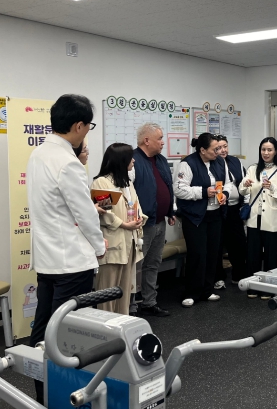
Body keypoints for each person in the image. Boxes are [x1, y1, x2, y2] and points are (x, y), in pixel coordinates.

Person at [26, 94, 106, 404]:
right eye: (88, 126)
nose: (87, 132)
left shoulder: (39, 154)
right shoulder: (67, 162)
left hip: (48, 259)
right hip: (72, 262)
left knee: (43, 331)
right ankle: (63, 398)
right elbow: (85, 214)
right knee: (68, 336)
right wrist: (98, 246)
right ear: (78, 125)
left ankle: (43, 396)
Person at [174, 133, 227, 307]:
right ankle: (192, 292)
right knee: (197, 254)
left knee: (213, 254)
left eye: (219, 148)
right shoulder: (187, 163)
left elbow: (227, 184)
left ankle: (207, 290)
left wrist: (225, 194)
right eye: (215, 149)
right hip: (195, 216)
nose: (218, 152)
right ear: (203, 150)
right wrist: (203, 192)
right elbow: (179, 190)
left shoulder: (219, 162)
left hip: (215, 214)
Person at [91, 143, 145, 315]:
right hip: (113, 242)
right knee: (107, 291)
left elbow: (136, 205)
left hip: (130, 242)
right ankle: (105, 326)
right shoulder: (102, 182)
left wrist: (139, 218)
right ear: (121, 160)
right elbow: (104, 212)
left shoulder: (126, 182)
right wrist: (124, 224)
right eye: (130, 158)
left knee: (124, 291)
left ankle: (121, 323)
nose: (134, 161)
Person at [133, 123, 175, 317]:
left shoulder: (161, 160)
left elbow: (167, 186)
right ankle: (131, 306)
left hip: (160, 221)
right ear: (146, 140)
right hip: (143, 224)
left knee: (153, 263)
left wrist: (170, 210)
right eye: (159, 138)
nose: (162, 142)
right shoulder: (133, 160)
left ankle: (149, 302)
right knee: (136, 265)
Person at [239, 137, 277, 299]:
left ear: (275, 152)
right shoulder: (253, 168)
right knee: (252, 254)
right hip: (254, 218)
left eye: (269, 150)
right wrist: (245, 185)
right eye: (263, 149)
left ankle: (269, 287)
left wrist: (272, 187)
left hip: (271, 219)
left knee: (270, 255)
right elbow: (242, 191)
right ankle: (252, 286)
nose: (266, 153)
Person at [213, 135, 248, 287]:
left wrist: (245, 204)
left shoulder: (235, 161)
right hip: (220, 209)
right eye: (219, 148)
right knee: (218, 244)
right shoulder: (212, 164)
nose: (223, 150)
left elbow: (244, 183)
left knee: (238, 243)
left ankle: (238, 275)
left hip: (235, 209)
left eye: (225, 146)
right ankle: (218, 277)